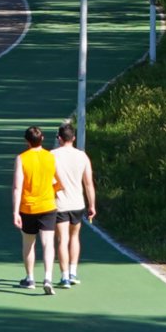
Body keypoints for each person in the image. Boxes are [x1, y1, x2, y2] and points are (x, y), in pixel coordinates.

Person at [10, 125, 60, 293]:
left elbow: (17, 187)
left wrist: (15, 211)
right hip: (48, 205)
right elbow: (59, 181)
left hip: (28, 207)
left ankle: (30, 277)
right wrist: (52, 192)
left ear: (27, 141)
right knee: (48, 244)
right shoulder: (50, 157)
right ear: (42, 139)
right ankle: (48, 278)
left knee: (28, 243)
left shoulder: (22, 158)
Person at [51, 121, 98, 287]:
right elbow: (88, 183)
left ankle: (64, 276)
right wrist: (92, 205)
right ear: (74, 138)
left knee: (62, 239)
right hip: (77, 203)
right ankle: (73, 272)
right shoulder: (82, 156)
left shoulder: (52, 155)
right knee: (74, 237)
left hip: (59, 203)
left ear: (59, 138)